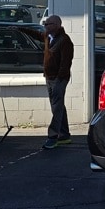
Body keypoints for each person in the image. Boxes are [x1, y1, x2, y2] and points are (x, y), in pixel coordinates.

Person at [41, 15, 74, 149]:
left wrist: (59, 77)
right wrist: (20, 29)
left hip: (59, 79)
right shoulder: (48, 37)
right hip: (49, 77)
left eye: (48, 24)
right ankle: (64, 135)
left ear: (56, 25)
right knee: (58, 105)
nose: (45, 27)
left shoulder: (64, 40)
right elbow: (36, 34)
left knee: (56, 107)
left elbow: (66, 62)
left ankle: (53, 136)